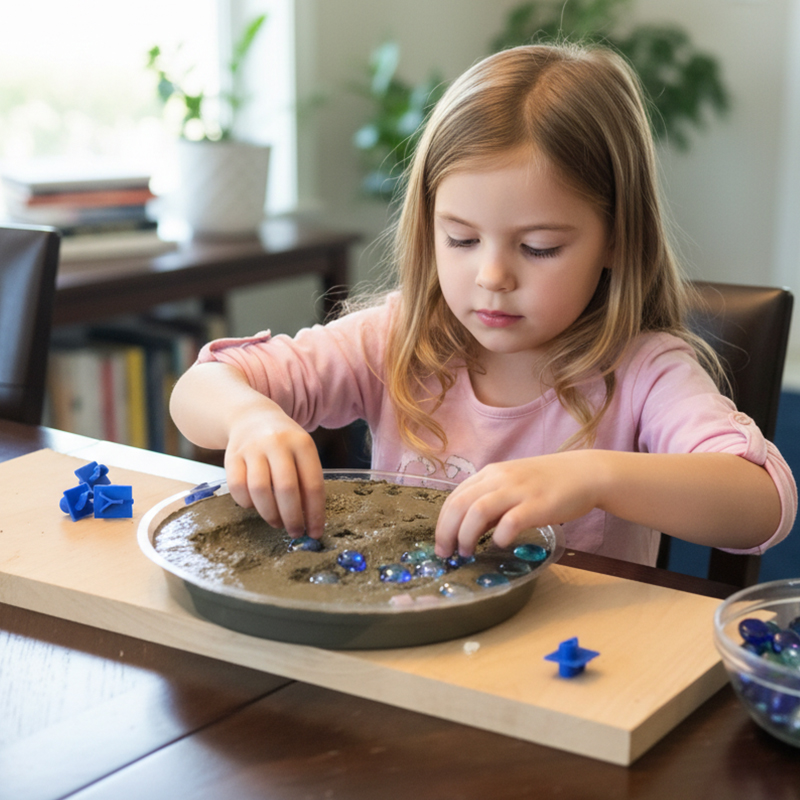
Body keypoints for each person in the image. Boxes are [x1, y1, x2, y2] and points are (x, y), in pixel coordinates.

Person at [170, 42, 796, 567]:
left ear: (617, 238)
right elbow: (200, 390)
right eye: (462, 239)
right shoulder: (394, 340)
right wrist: (252, 419)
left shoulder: (642, 371)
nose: (492, 276)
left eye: (540, 247)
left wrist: (592, 478)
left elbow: (761, 502)